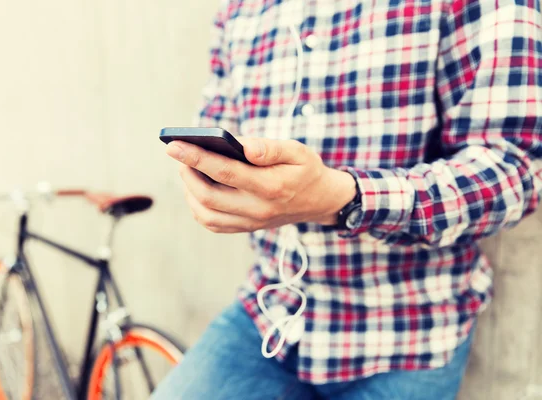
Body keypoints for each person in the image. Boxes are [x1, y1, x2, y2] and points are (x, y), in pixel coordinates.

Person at [153, 0, 542, 398]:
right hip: (270, 312)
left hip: (412, 330)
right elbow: (219, 127)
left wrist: (344, 199)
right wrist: (215, 181)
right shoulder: (240, 9)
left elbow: (514, 169)